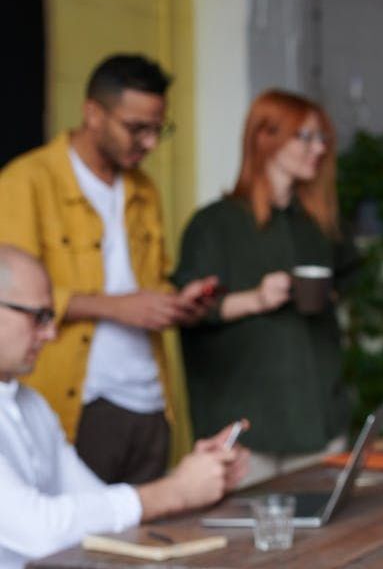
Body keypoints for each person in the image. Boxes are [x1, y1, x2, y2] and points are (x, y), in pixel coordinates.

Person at [0, 54, 218, 484]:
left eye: (159, 129)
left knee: (150, 537)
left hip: (151, 400)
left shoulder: (144, 190)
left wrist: (175, 305)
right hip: (79, 401)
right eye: (137, 128)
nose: (151, 143)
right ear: (93, 114)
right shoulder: (26, 182)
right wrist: (117, 308)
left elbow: (148, 283)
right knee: (81, 542)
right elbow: (12, 297)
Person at [0, 244, 247, 569]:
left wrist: (195, 478)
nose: (52, 332)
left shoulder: (32, 406)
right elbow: (40, 531)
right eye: (40, 317)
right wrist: (176, 491)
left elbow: (94, 502)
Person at [172, 90, 355, 486]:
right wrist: (257, 298)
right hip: (248, 430)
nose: (319, 148)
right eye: (305, 137)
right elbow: (188, 310)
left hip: (320, 418)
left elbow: (346, 280)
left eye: (322, 137)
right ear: (265, 138)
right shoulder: (214, 224)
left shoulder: (319, 224)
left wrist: (325, 294)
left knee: (330, 541)